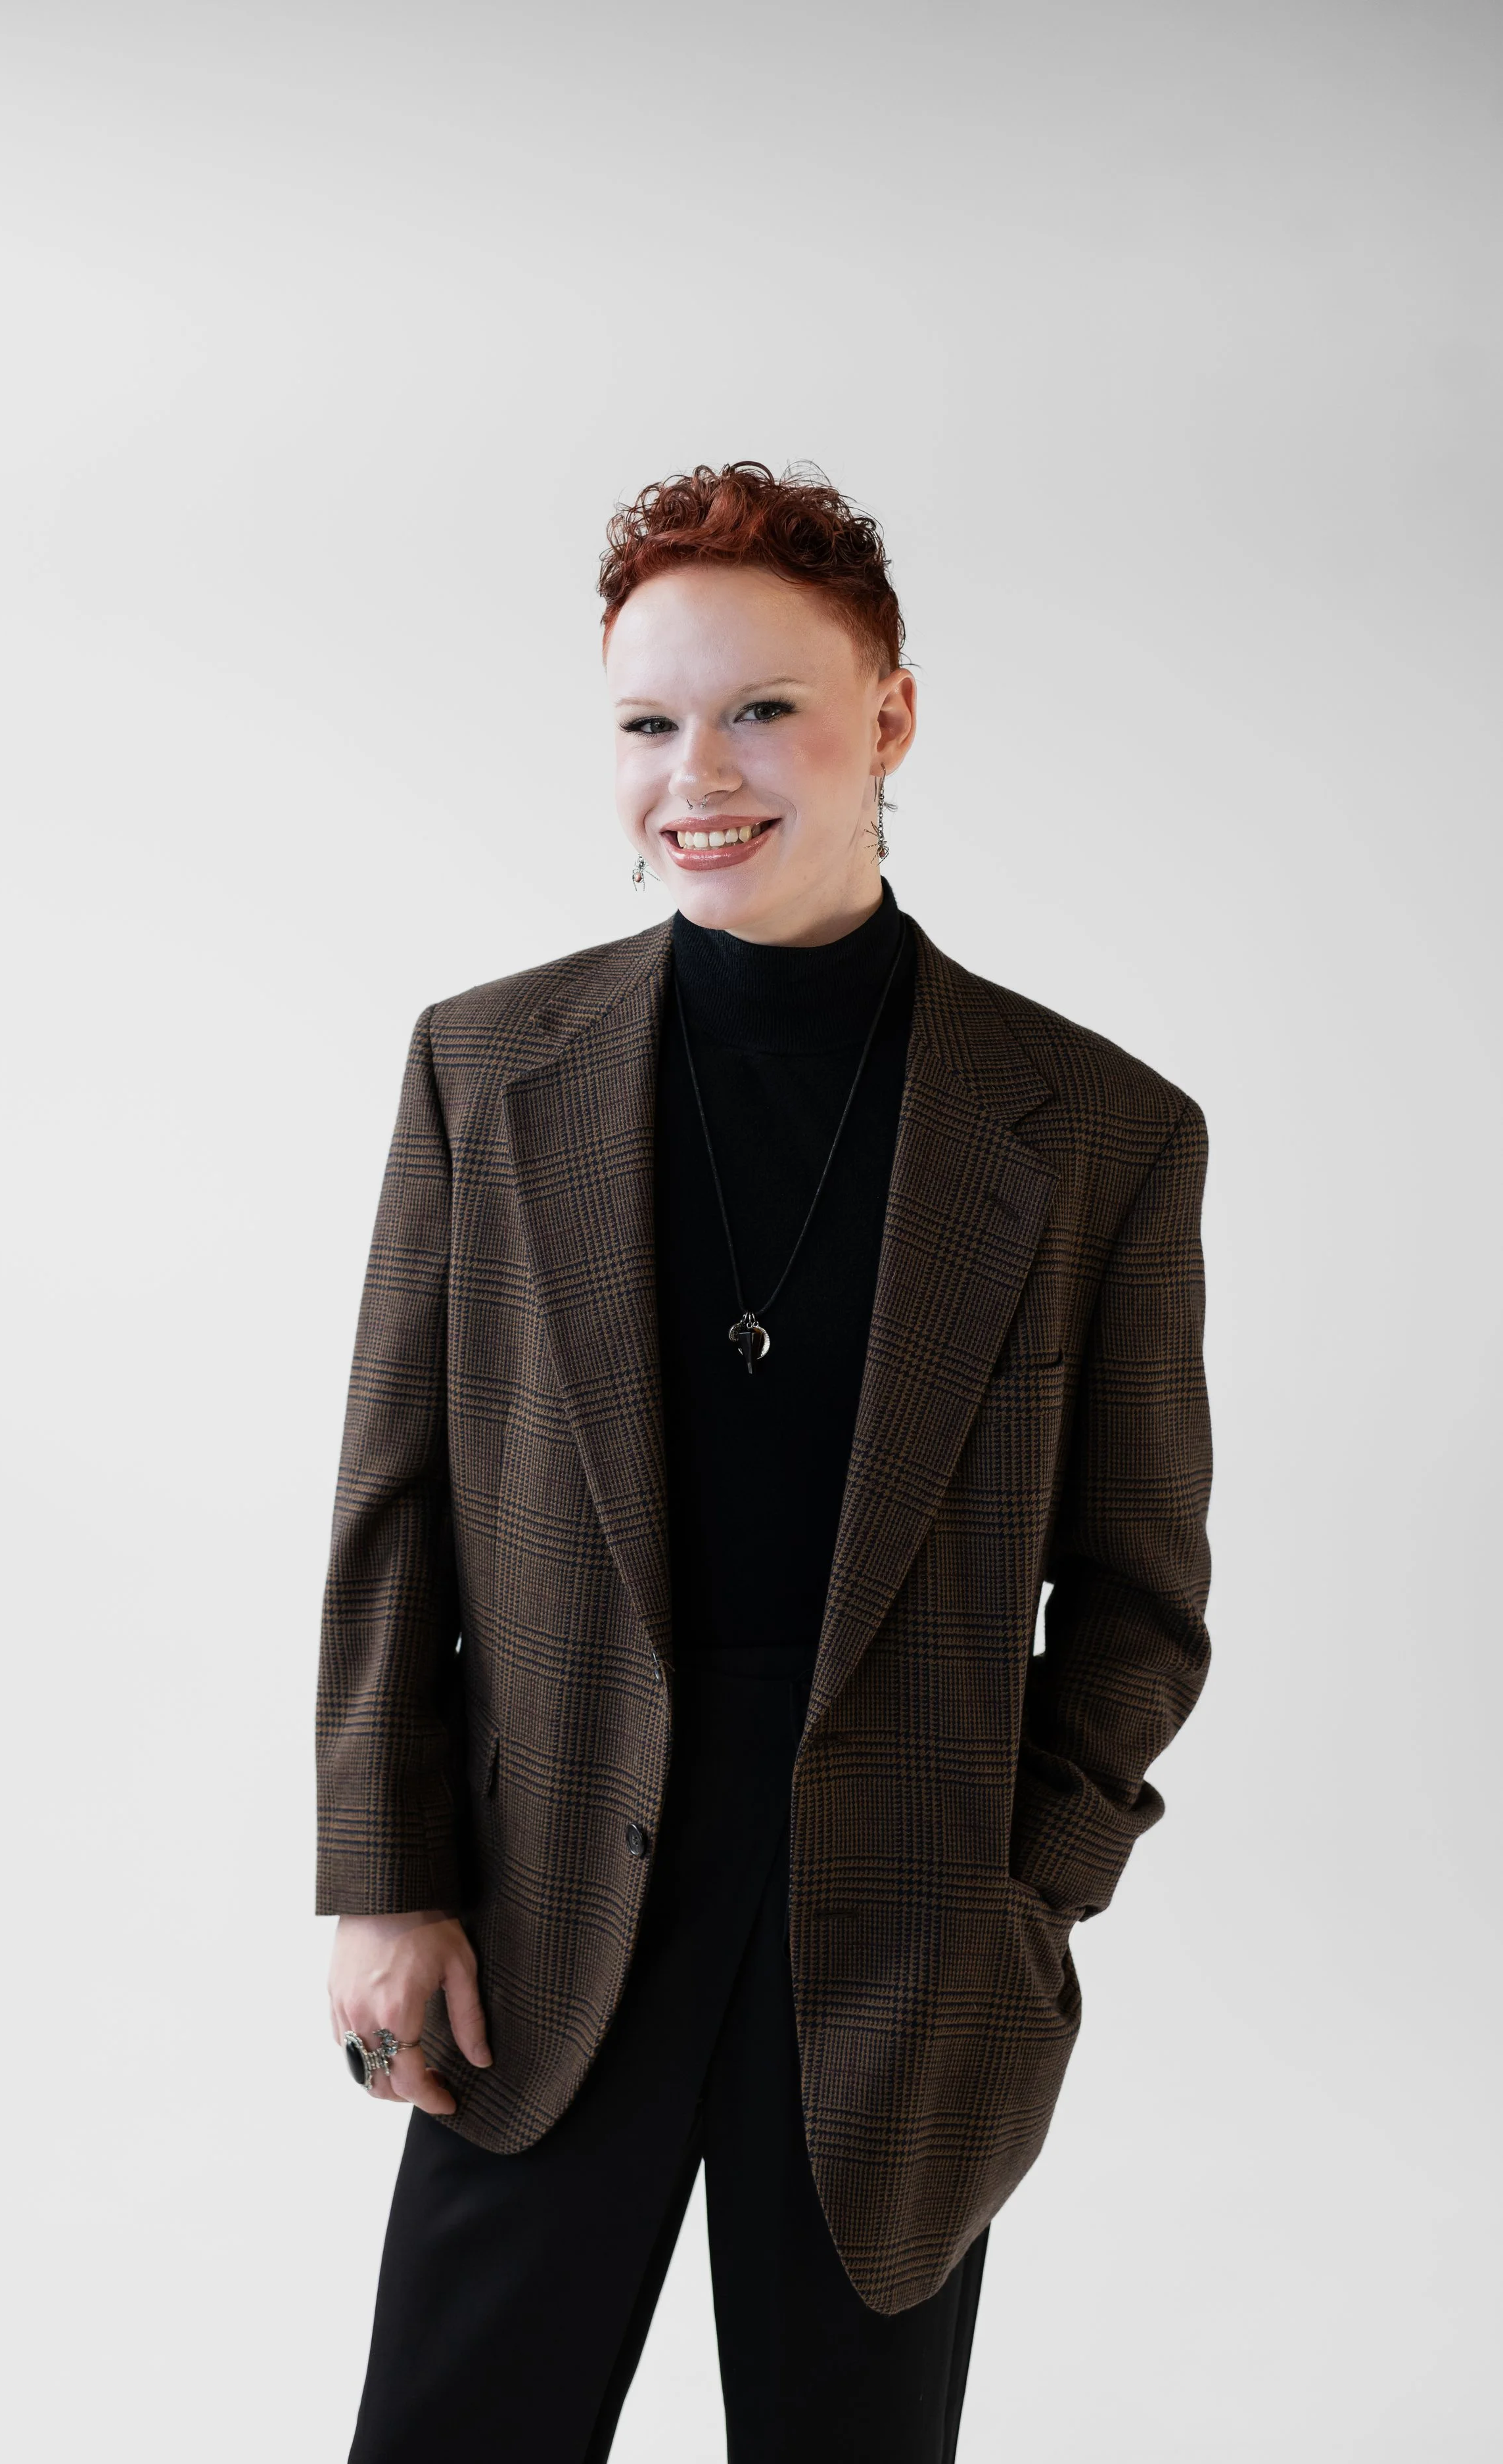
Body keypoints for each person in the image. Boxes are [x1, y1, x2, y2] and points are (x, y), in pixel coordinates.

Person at [316, 462, 1212, 2462]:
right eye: (647, 722)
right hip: (544, 1899)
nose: (693, 773)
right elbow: (396, 1511)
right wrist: (385, 1875)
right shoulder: (487, 1067)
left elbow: (1142, 1592)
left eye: (761, 710)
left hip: (903, 1919)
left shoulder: (1094, 1130)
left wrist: (1020, 1899)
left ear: (889, 716)